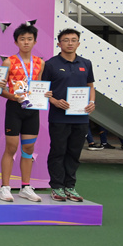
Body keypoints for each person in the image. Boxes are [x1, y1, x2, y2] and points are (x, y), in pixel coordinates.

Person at [43, 29, 96, 202]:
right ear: (59, 43)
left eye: (74, 40)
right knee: (58, 152)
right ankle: (57, 187)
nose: (70, 43)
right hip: (58, 118)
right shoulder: (50, 64)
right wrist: (55, 101)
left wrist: (92, 102)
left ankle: (70, 187)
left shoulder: (86, 63)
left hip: (81, 118)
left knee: (74, 153)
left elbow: (90, 86)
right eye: (66, 40)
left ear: (78, 43)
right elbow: (43, 90)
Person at [0, 23, 47, 203]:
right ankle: (5, 187)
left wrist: (44, 94)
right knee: (11, 147)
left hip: (32, 110)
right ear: (16, 42)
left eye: (29, 39)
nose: (26, 42)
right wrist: (13, 96)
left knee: (28, 148)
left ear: (35, 42)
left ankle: (25, 187)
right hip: (14, 109)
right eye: (22, 39)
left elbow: (39, 85)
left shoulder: (40, 63)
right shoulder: (9, 62)